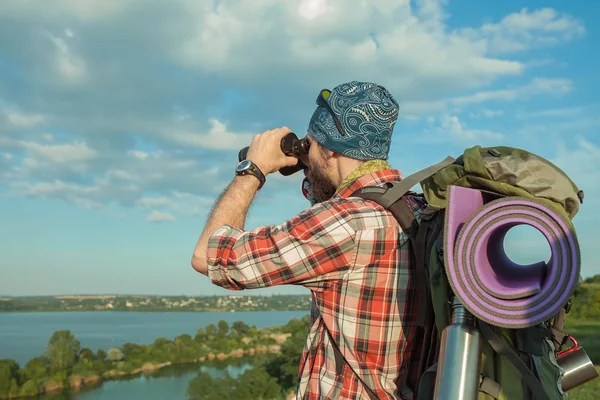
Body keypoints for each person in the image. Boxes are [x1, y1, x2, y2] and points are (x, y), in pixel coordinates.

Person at [191, 81, 425, 399]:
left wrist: (253, 169)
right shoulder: (418, 210)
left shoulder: (347, 225)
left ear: (329, 148)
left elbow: (207, 255)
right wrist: (314, 170)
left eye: (311, 145)